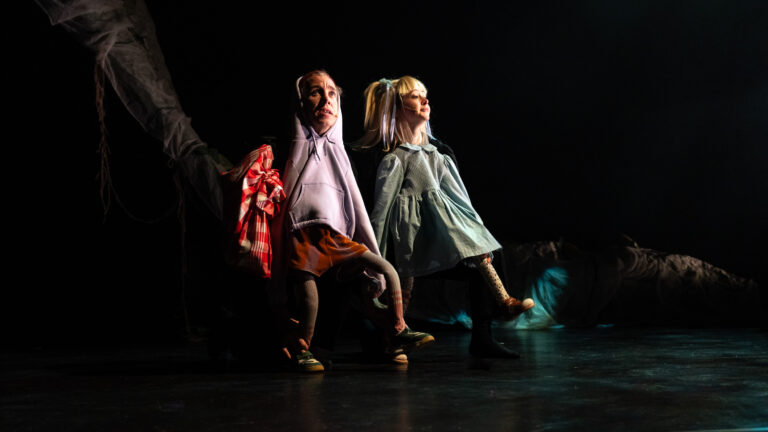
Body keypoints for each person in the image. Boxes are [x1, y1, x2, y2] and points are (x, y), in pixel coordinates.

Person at [356, 76, 534, 358]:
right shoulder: (390, 157)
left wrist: (478, 236)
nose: (425, 101)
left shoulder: (440, 154)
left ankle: (484, 337)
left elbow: (459, 198)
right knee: (401, 285)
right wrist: (374, 253)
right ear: (398, 107)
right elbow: (381, 208)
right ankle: (389, 338)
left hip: (438, 235)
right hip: (406, 238)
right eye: (415, 96)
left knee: (478, 268)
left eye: (425, 95)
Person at [269, 71, 434, 372]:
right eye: (315, 92)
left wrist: (368, 248)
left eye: (332, 93)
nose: (326, 99)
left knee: (387, 271)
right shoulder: (295, 144)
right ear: (300, 102)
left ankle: (397, 328)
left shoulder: (340, 155)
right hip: (304, 238)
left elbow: (355, 206)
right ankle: (302, 348)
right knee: (310, 299)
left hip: (336, 239)